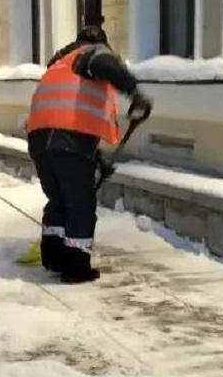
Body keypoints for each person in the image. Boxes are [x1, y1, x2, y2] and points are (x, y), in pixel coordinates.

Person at [26, 25, 152, 284]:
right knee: (79, 204)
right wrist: (134, 92)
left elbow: (68, 111)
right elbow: (104, 63)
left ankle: (54, 257)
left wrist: (96, 160)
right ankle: (75, 267)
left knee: (59, 199)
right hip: (68, 142)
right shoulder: (91, 54)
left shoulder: (60, 63)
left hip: (40, 140)